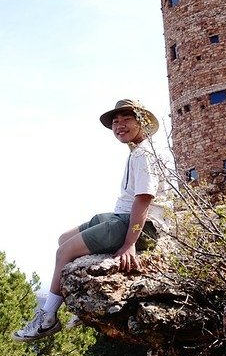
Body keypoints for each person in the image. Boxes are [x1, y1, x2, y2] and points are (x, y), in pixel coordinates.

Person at [12, 99, 163, 342]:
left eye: (126, 120)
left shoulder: (144, 155)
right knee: (64, 238)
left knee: (64, 251)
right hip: (121, 217)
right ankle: (82, 303)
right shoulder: (137, 152)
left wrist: (130, 243)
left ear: (141, 122)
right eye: (115, 122)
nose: (119, 126)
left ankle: (47, 319)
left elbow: (143, 201)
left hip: (140, 225)